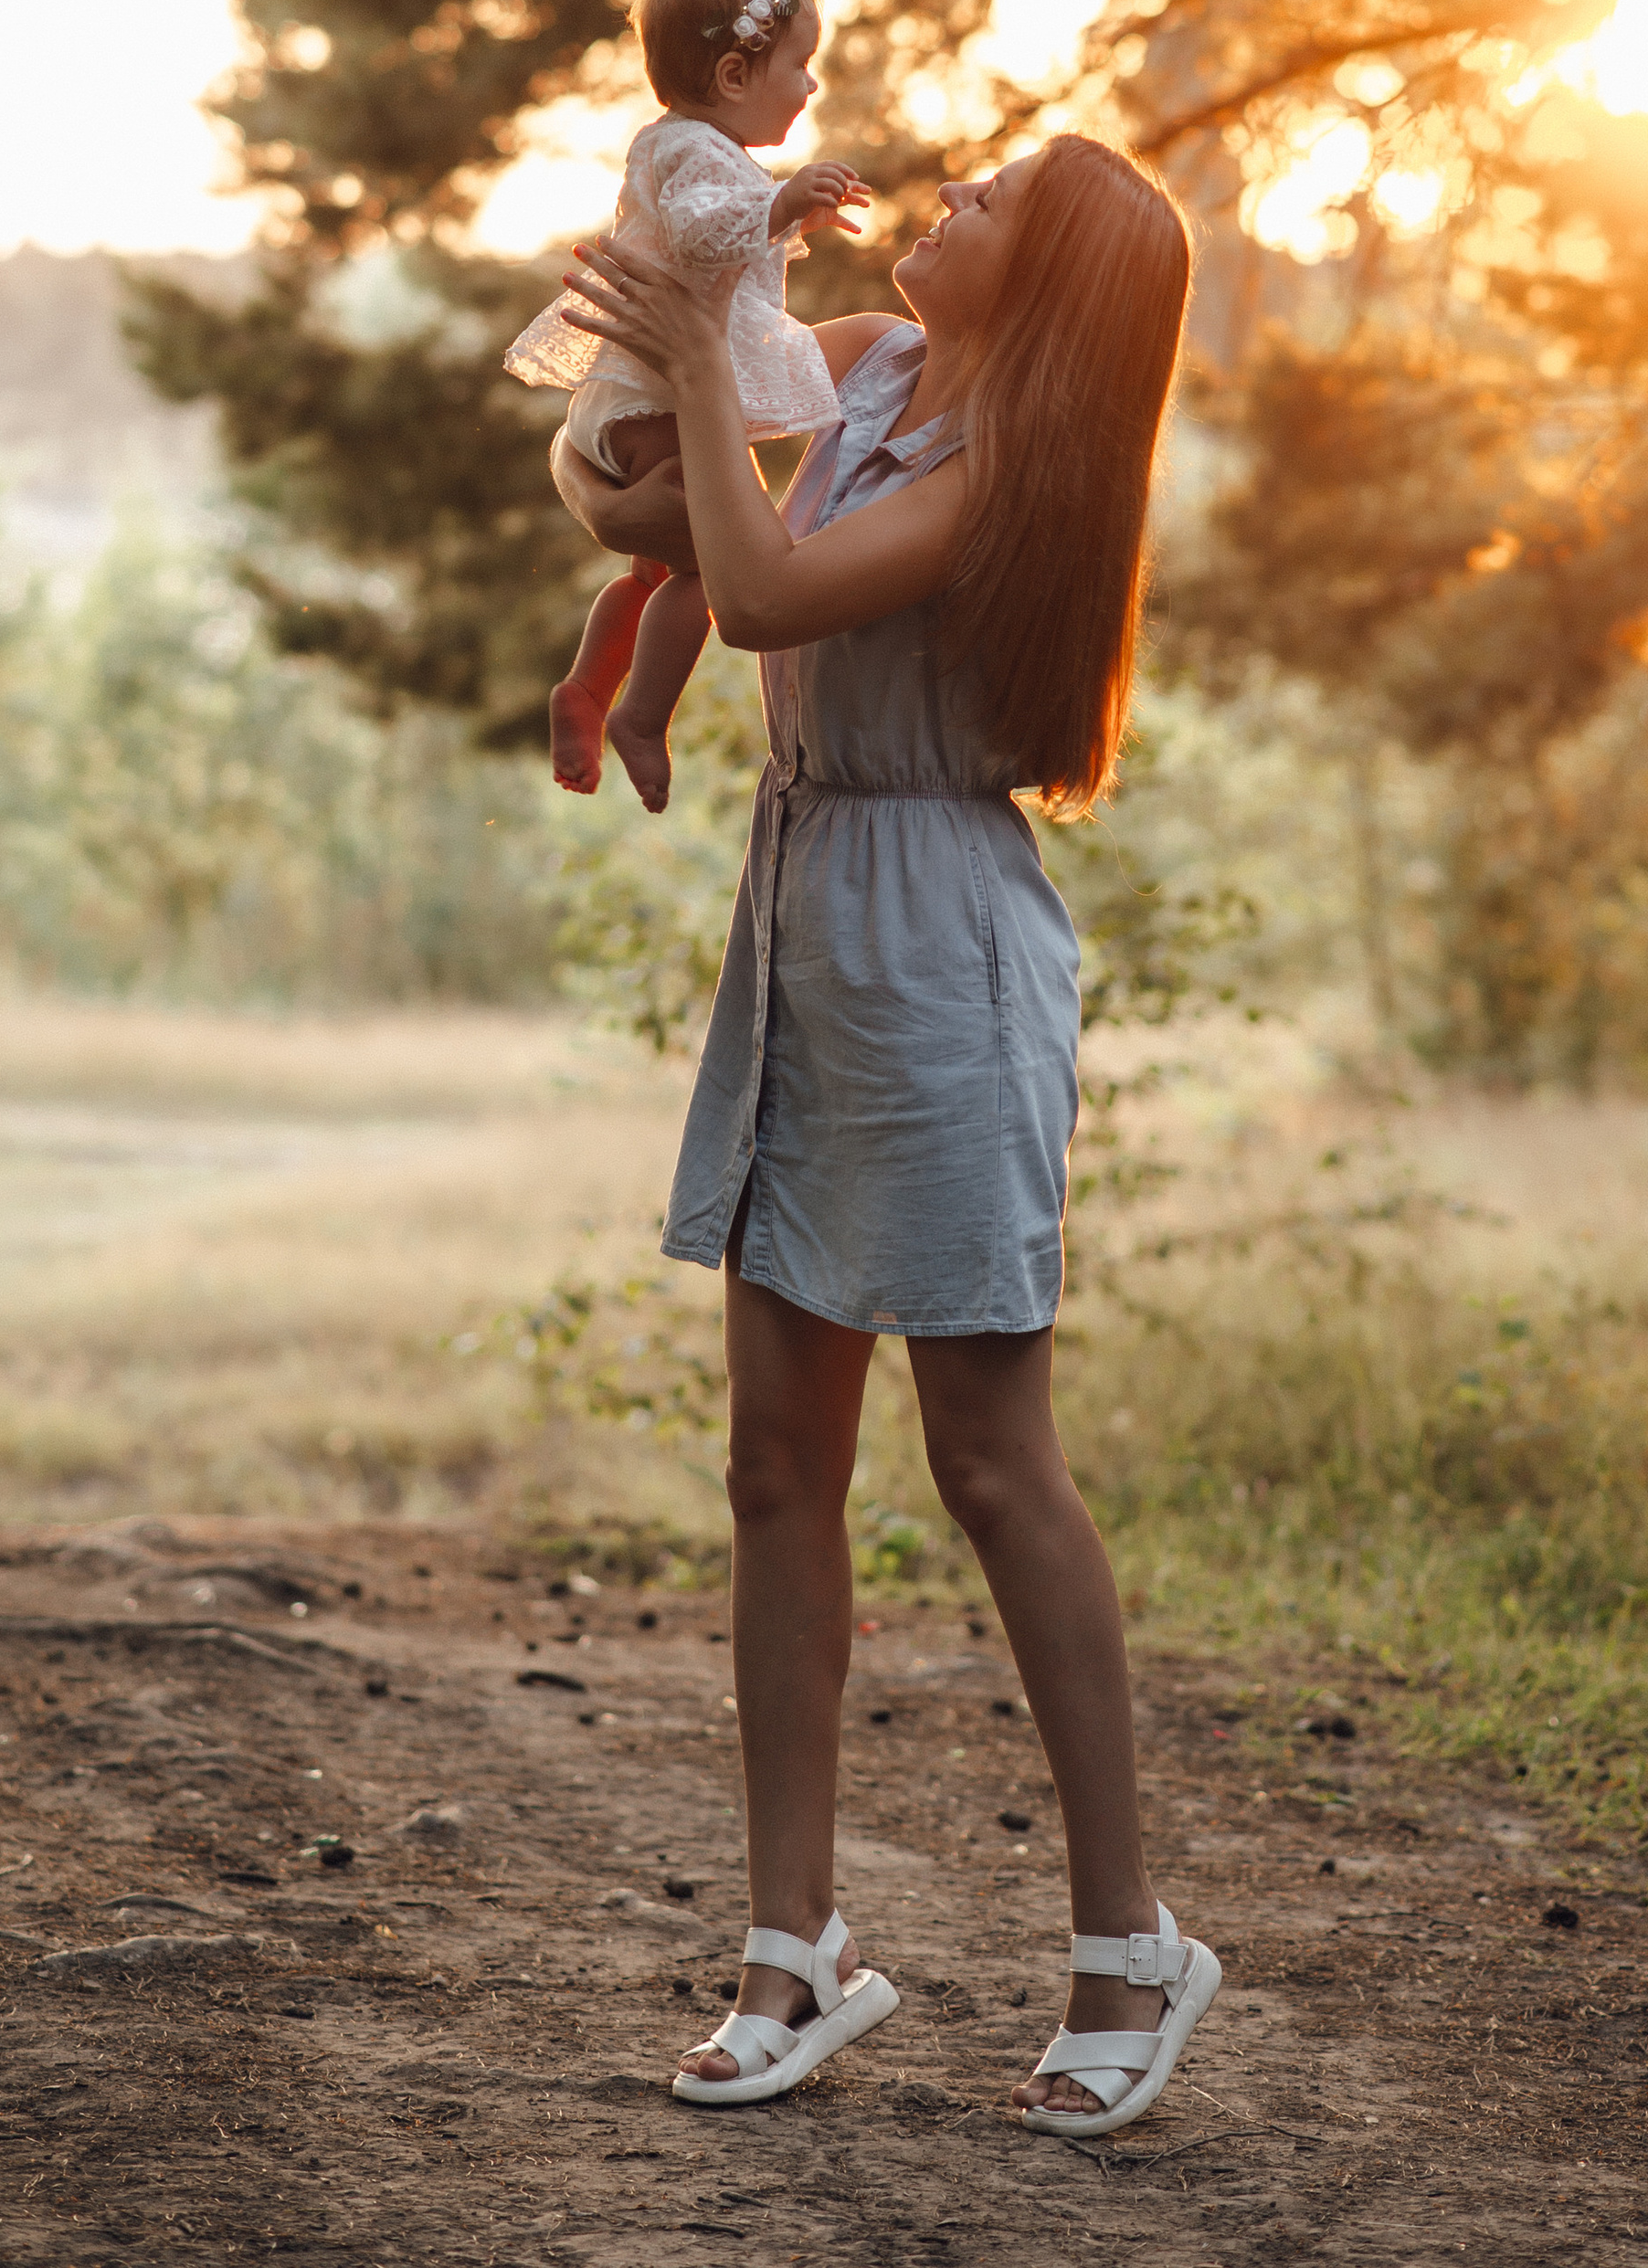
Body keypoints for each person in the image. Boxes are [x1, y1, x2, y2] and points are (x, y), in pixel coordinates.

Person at [550, 131, 1214, 2138]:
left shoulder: (1008, 467)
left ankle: (1128, 1944)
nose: (948, 198)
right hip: (804, 908)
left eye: (993, 202)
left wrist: (688, 380)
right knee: (774, 1465)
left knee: (993, 1464)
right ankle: (793, 1954)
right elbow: (644, 513)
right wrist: (656, 366)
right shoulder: (845, 365)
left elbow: (753, 601)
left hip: (939, 948)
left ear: (1056, 287)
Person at [504, 0, 865, 809]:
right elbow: (708, 238)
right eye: (800, 65)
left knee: (654, 574)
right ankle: (641, 714)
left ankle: (587, 690)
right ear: (736, 76)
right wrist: (782, 203)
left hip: (631, 407)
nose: (811, 86)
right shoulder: (693, 155)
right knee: (712, 567)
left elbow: (715, 242)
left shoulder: (686, 150)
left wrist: (783, 214)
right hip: (649, 399)